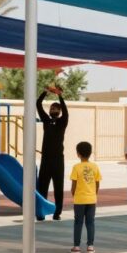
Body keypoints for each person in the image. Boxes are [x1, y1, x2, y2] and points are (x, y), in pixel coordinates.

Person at [37, 85, 69, 221]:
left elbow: (66, 111)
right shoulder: (46, 120)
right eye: (51, 108)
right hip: (46, 159)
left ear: (59, 111)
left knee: (58, 187)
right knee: (42, 187)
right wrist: (45, 92)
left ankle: (57, 213)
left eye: (55, 108)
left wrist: (59, 95)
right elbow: (38, 104)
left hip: (58, 160)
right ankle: (41, 212)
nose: (52, 110)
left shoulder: (62, 121)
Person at [70, 141, 102, 253]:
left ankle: (77, 246)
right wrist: (94, 194)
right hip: (91, 199)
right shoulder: (95, 167)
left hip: (79, 200)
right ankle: (90, 246)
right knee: (90, 223)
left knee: (78, 222)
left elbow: (74, 184)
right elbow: (97, 183)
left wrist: (74, 194)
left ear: (78, 154)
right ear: (90, 153)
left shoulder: (76, 167)